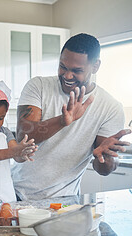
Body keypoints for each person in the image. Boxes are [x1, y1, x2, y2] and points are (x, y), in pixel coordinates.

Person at [12, 33, 131, 201]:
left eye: (77, 71)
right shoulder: (38, 86)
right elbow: (23, 136)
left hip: (65, 201)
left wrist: (105, 156)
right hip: (16, 193)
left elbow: (103, 169)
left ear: (95, 66)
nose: (67, 76)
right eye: (63, 67)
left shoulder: (110, 107)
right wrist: (62, 121)